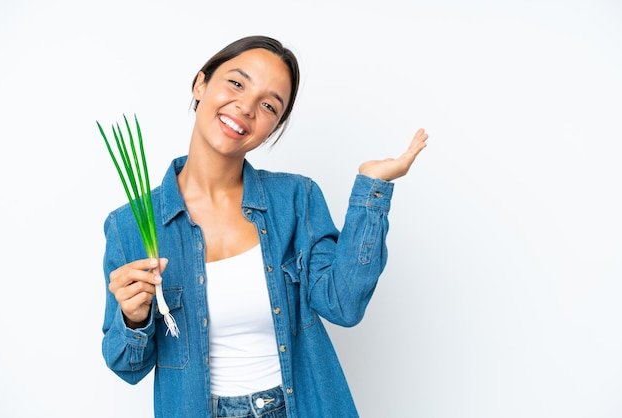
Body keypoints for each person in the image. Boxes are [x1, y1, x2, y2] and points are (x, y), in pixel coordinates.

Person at [101, 35, 428, 418]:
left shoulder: (296, 198)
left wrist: (372, 191)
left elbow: (343, 305)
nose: (246, 107)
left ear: (274, 127)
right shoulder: (130, 225)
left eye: (269, 105)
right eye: (236, 83)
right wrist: (134, 319)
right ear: (200, 84)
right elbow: (127, 366)